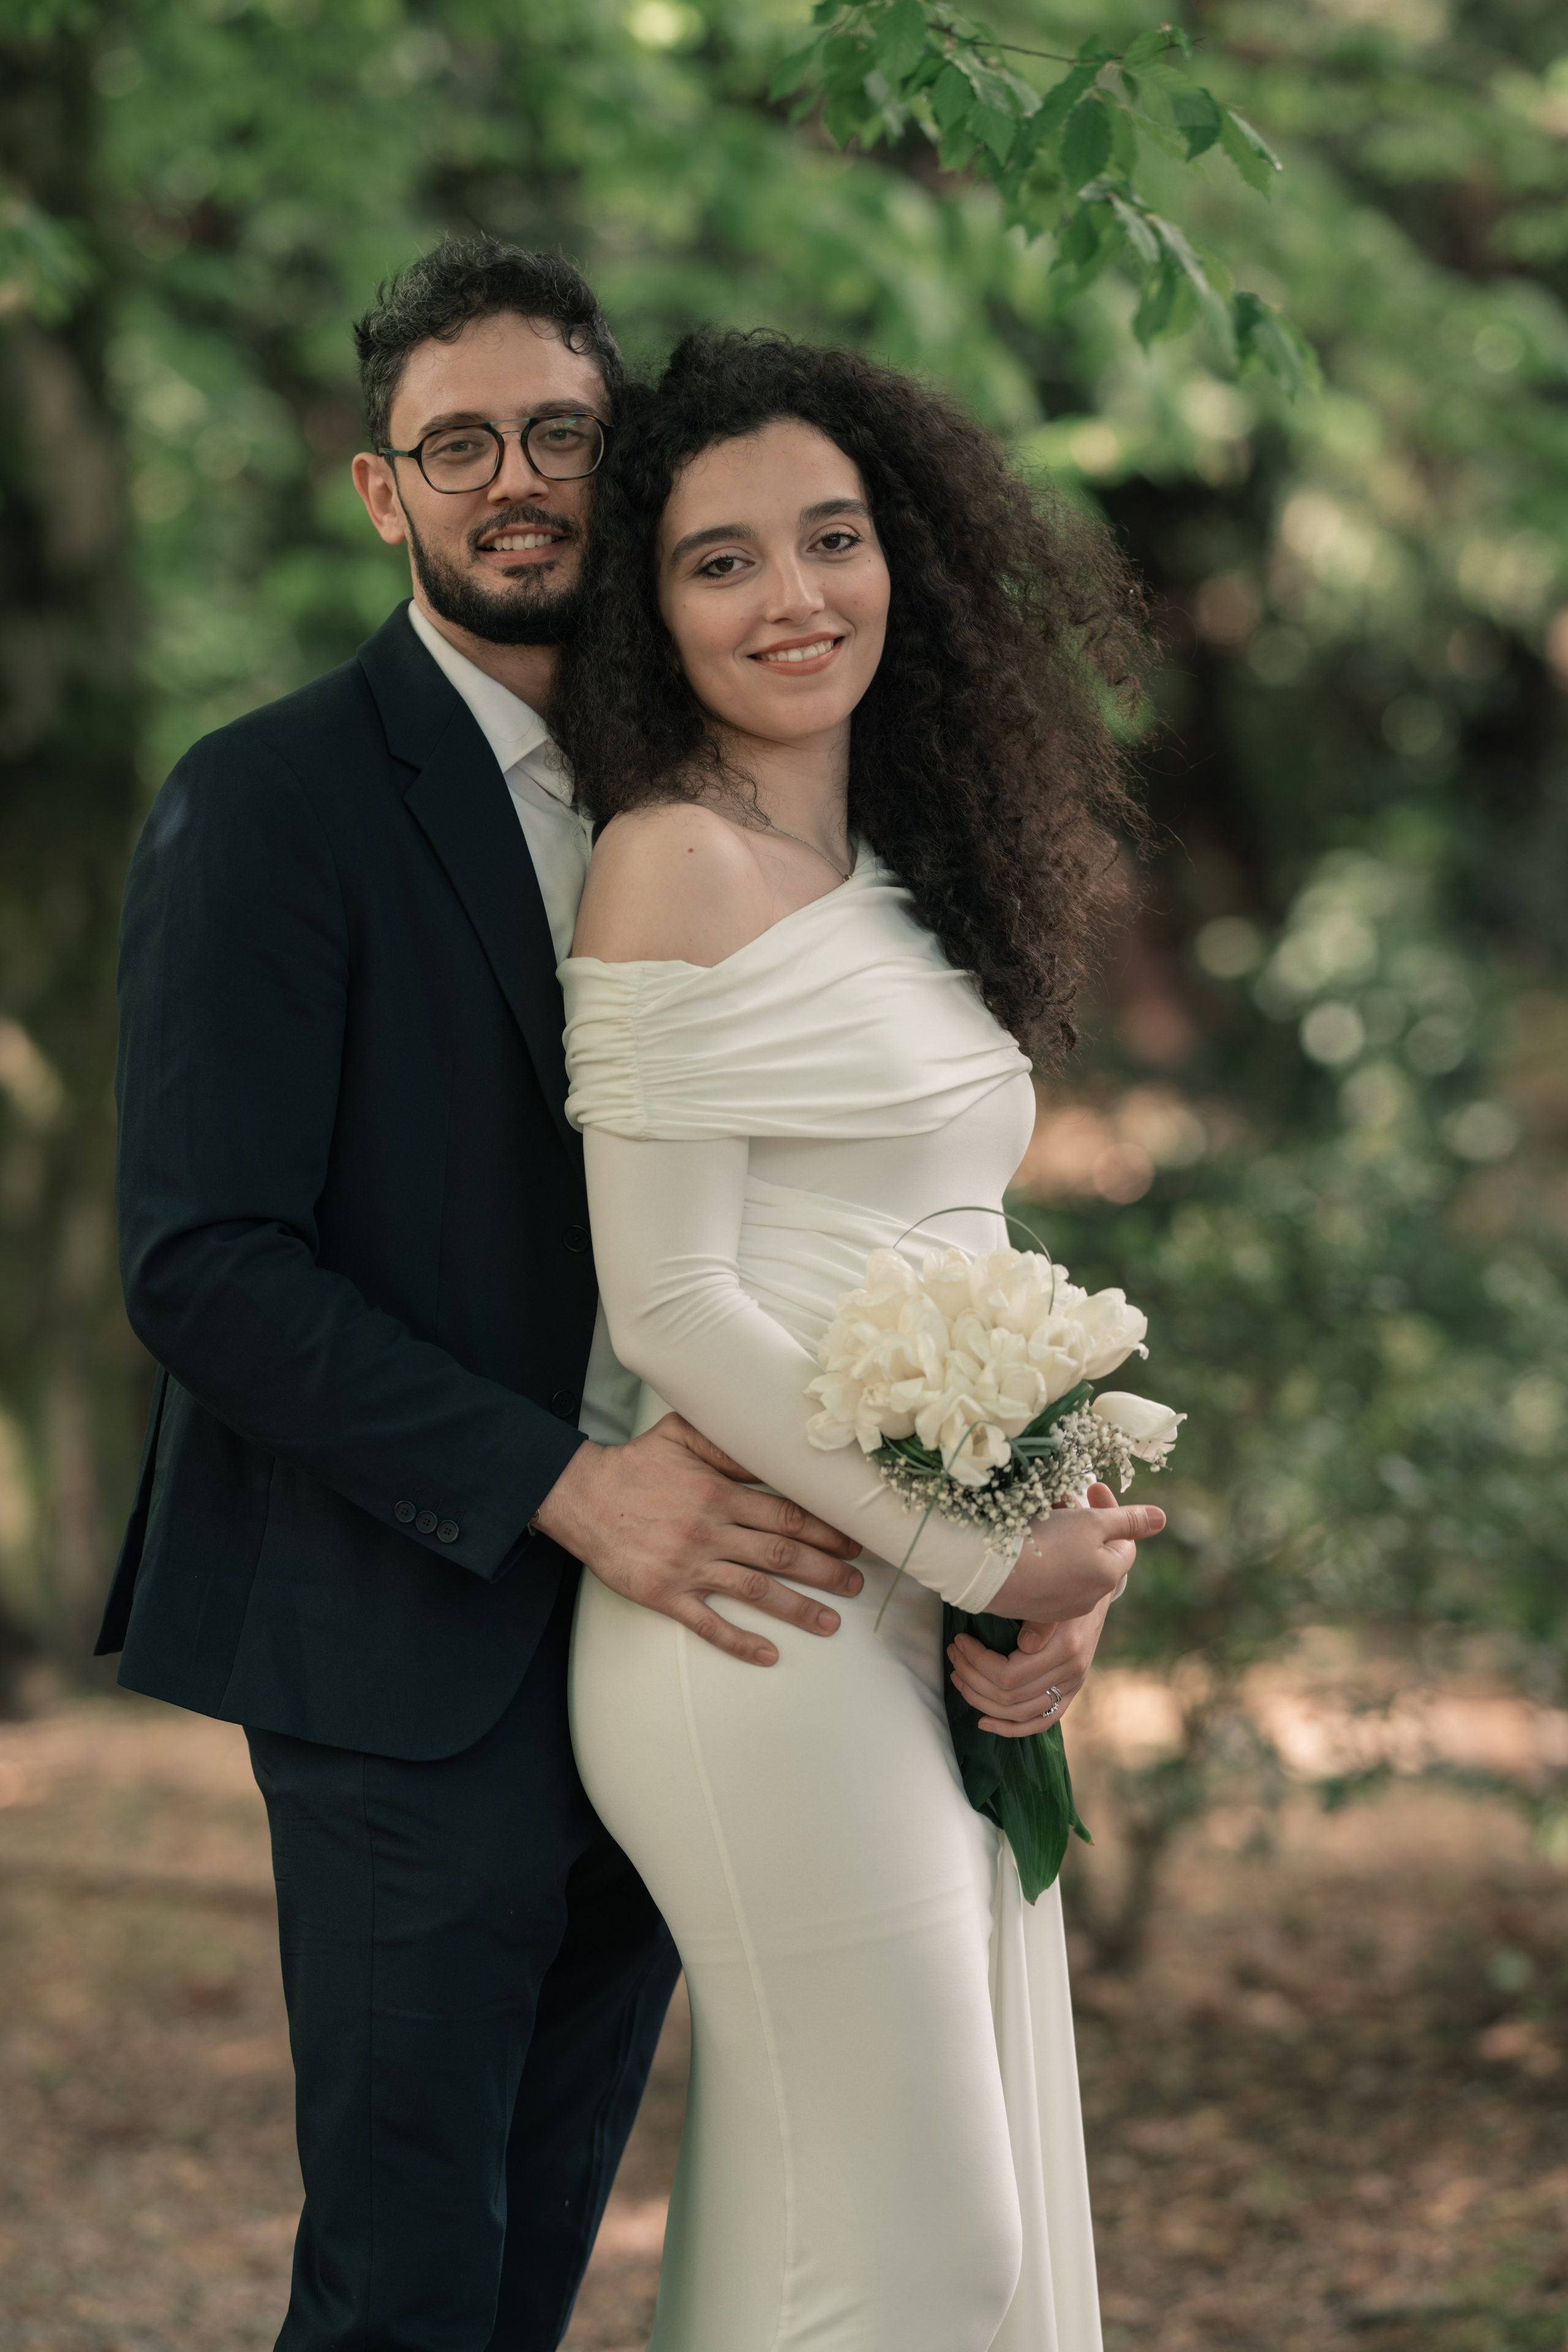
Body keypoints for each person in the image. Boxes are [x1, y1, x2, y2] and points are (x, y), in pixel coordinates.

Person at [92, 239, 871, 2352]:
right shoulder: (266, 804)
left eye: (560, 434)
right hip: (395, 1646)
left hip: (675, 1655)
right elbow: (204, 1264)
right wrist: (562, 1484)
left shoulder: (703, 795)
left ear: (619, 466)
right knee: (409, 2283)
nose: (514, 478)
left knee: (534, 2261)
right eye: (460, 444)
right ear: (383, 490)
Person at [550, 329, 1166, 2351]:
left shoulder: (892, 879)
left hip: (917, 1612)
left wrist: (1042, 1572)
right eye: (723, 562)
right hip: (765, 1632)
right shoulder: (668, 861)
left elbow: (946, 1246)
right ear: (649, 603)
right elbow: (670, 1305)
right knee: (921, 2256)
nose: (794, 596)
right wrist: (983, 1551)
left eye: (832, 539)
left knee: (816, 2245)